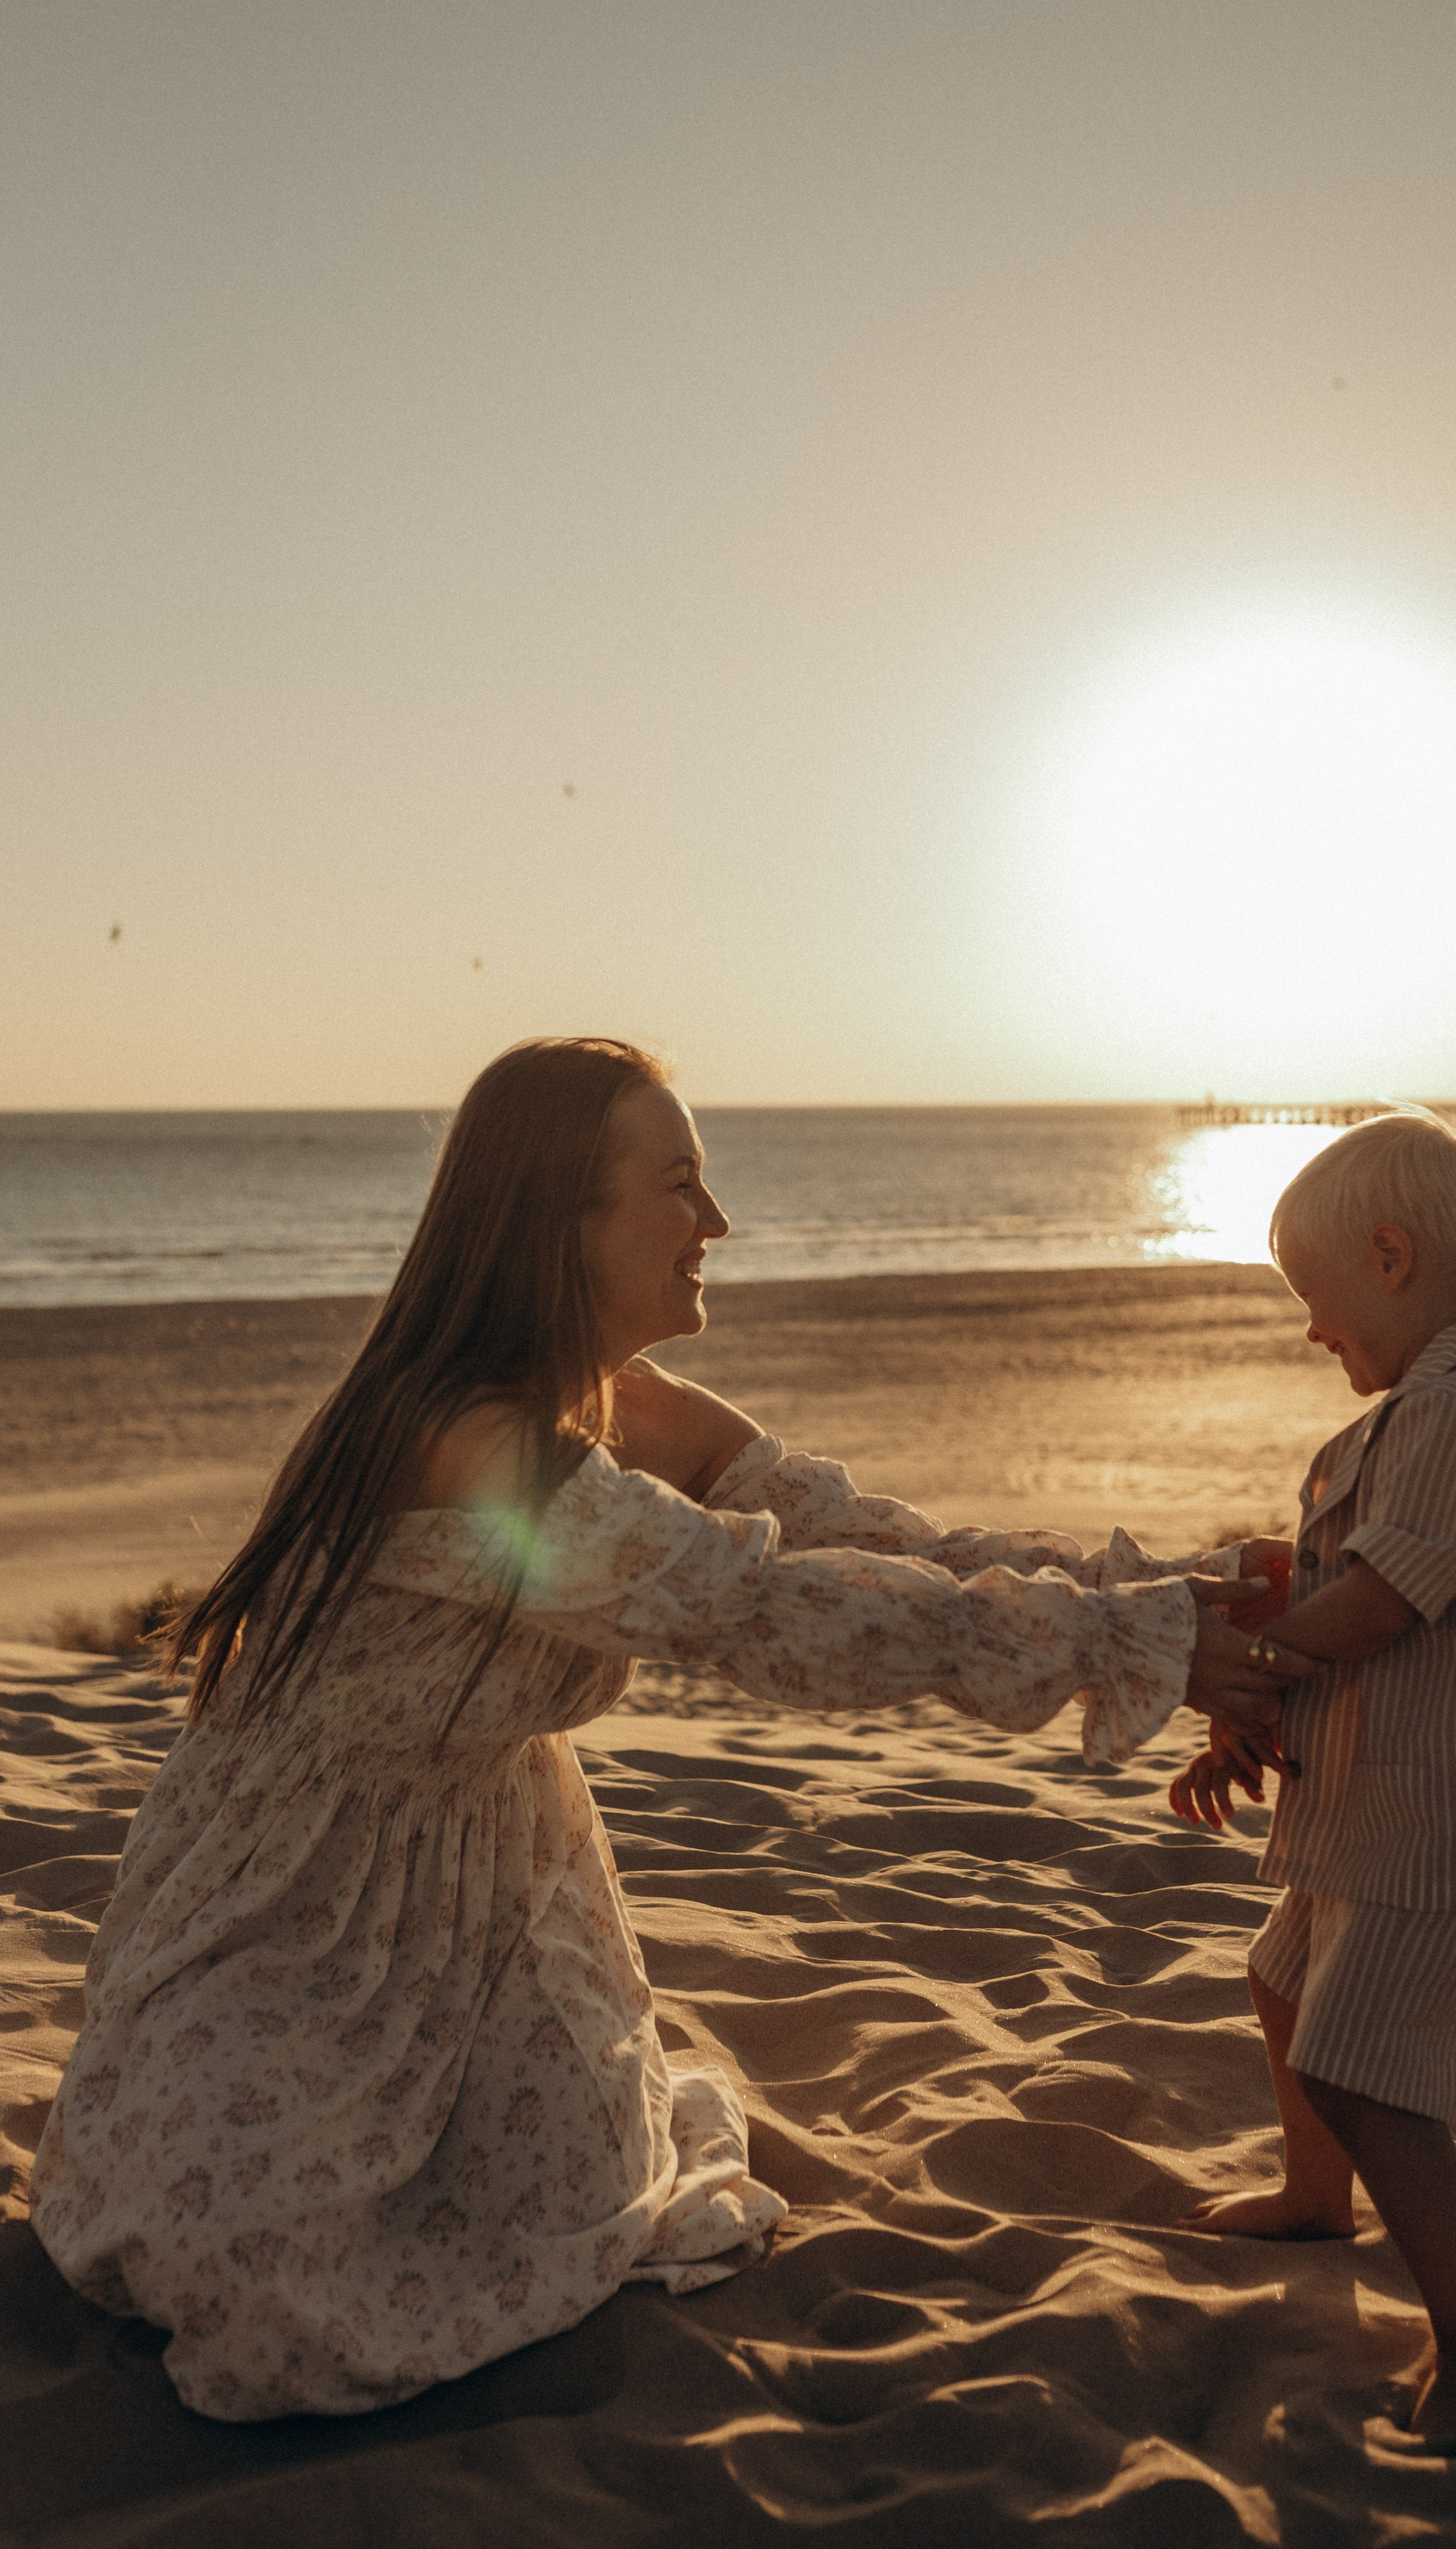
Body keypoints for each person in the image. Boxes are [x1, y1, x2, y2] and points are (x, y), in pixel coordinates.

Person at [30, 1036, 1312, 2423]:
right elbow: (756, 1611)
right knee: (257, 2295)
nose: (714, 1225)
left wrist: (1147, 1598)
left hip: (487, 1877)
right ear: (554, 1220)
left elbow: (867, 1542)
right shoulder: (470, 1444)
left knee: (578, 2192)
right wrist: (1136, 1648)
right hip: (296, 1905)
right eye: (679, 1185)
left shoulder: (620, 1408)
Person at [1167, 1113, 1456, 2457]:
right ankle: (1313, 2197)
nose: (1309, 1331)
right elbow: (1341, 1583)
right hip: (1379, 1813)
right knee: (1284, 1984)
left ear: (1391, 1256)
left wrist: (1240, 1661)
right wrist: (1259, 1701)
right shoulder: (1415, 1414)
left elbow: (1387, 1600)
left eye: (1313, 1297)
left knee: (1372, 2077)